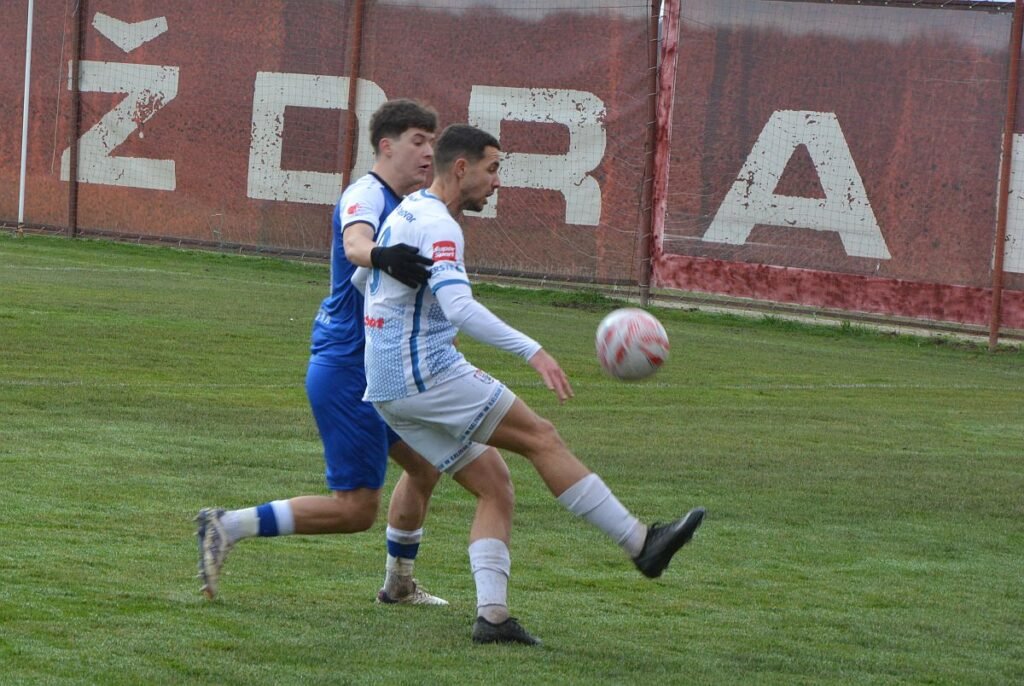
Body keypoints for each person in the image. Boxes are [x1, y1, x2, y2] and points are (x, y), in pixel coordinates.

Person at [357, 123, 706, 646]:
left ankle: (492, 617)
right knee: (541, 437)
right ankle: (641, 544)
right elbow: (460, 308)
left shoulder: (407, 211)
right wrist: (532, 350)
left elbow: (365, 279)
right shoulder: (439, 225)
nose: (498, 181)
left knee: (494, 485)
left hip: (387, 385)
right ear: (461, 168)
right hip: (425, 373)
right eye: (492, 168)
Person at [195, 99, 455, 606]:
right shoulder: (366, 193)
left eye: (432, 142)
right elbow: (356, 243)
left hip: (379, 366)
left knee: (425, 465)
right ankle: (228, 525)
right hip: (349, 367)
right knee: (355, 510)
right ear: (386, 146)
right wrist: (380, 255)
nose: (429, 152)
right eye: (418, 141)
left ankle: (399, 585)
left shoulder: (408, 203)